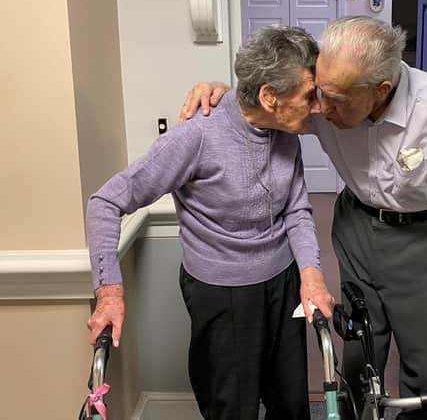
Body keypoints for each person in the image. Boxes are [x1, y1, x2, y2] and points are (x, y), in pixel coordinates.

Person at [180, 16, 427, 418]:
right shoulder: (328, 92)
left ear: (380, 90)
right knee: (357, 354)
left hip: (424, 239)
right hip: (355, 230)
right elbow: (269, 100)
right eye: (318, 92)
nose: (320, 107)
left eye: (334, 99)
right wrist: (220, 91)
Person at [86, 25, 335, 420]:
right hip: (222, 294)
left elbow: (296, 209)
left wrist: (311, 274)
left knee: (291, 406)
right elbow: (105, 201)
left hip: (283, 283)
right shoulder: (196, 136)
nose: (318, 106)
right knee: (231, 409)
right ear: (269, 96)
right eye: (309, 95)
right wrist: (110, 293)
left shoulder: (286, 128)